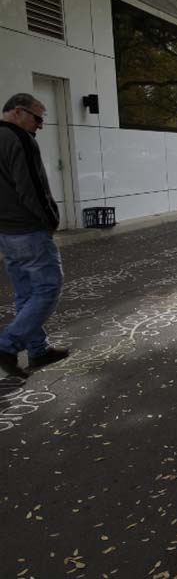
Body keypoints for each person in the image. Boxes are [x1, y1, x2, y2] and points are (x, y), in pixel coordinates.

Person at [0, 93, 70, 383]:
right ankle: (7, 346)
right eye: (38, 118)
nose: (40, 125)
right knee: (48, 289)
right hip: (28, 228)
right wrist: (50, 219)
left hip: (6, 231)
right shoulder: (19, 139)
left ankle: (38, 349)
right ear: (18, 112)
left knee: (27, 292)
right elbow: (31, 186)